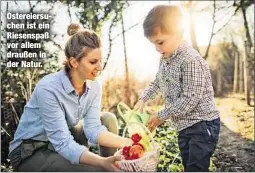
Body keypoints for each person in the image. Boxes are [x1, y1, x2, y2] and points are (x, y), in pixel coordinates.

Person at [8, 23, 132, 172]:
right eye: (93, 62)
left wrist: (128, 142)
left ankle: (112, 165)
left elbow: (93, 129)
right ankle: (105, 167)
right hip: (30, 151)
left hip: (60, 140)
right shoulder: (49, 88)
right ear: (74, 62)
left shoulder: (94, 86)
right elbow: (63, 143)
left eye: (100, 60)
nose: (100, 67)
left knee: (107, 119)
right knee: (97, 170)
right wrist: (100, 163)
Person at [134, 5, 220, 172]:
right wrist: (143, 98)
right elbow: (157, 82)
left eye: (160, 42)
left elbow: (190, 99)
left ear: (178, 33)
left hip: (202, 125)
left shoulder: (190, 60)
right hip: (184, 126)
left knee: (196, 167)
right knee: (188, 164)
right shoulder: (165, 58)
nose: (157, 48)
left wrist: (161, 115)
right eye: (154, 43)